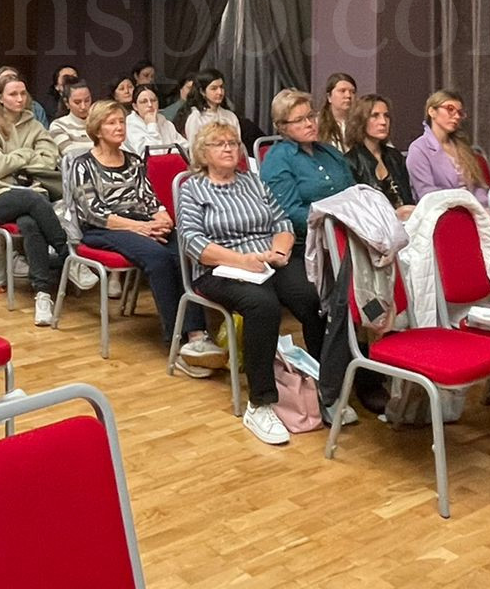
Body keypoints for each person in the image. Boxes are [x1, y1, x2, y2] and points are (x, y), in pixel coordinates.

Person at [177, 122, 325, 446]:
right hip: (219, 268)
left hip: (267, 260)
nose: (229, 148)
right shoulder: (192, 189)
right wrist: (242, 260)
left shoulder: (253, 182)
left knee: (310, 296)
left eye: (233, 143)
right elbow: (193, 242)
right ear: (203, 153)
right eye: (220, 144)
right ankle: (260, 403)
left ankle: (324, 384)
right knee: (262, 305)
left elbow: (282, 222)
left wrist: (280, 252)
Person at [67, 101, 220, 374]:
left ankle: (197, 334)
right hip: (104, 229)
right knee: (157, 258)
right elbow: (93, 212)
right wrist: (140, 228)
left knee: (184, 249)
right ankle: (176, 342)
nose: (119, 127)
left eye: (121, 122)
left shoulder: (134, 160)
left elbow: (149, 199)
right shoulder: (83, 164)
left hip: (142, 223)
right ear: (97, 130)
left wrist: (162, 217)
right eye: (111, 123)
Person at [0, 70, 66, 326]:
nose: (19, 98)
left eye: (23, 93)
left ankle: (42, 295)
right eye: (13, 94)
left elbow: (49, 160)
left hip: (29, 194)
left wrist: (14, 160)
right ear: (0, 98)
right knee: (34, 201)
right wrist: (26, 155)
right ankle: (67, 253)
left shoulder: (35, 126)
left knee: (30, 223)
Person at [259, 89, 351, 245]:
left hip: (349, 232)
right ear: (282, 126)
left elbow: (353, 192)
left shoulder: (330, 152)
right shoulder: (277, 159)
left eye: (311, 116)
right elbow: (288, 213)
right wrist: (333, 221)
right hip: (308, 241)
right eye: (299, 120)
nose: (309, 124)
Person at [404, 90, 489, 206]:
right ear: (432, 112)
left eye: (459, 112)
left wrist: (483, 205)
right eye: (450, 109)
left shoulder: (462, 146)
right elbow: (427, 193)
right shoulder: (419, 149)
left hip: (473, 207)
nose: (457, 116)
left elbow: (477, 186)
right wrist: (464, 202)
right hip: (442, 210)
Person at [344, 94, 413, 218]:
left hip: (406, 222)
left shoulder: (395, 156)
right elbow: (357, 210)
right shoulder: (350, 162)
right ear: (360, 120)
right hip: (372, 225)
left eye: (386, 116)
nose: (383, 122)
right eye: (375, 116)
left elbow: (407, 198)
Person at [122, 85, 184, 156]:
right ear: (135, 106)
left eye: (153, 100)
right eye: (144, 101)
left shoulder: (166, 123)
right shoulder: (129, 126)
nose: (150, 105)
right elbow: (152, 154)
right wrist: (151, 125)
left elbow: (184, 147)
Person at [181, 69, 239, 143]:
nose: (220, 92)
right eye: (214, 88)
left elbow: (238, 143)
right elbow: (193, 147)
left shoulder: (230, 116)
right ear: (202, 92)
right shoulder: (197, 118)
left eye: (221, 87)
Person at [47, 81, 96, 157]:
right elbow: (71, 154)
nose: (83, 106)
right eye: (77, 102)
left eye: (87, 101)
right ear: (66, 103)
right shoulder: (58, 125)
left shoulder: (100, 123)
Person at [316, 72, 357, 150]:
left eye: (352, 92)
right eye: (342, 91)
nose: (348, 96)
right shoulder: (316, 123)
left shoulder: (360, 123)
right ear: (329, 97)